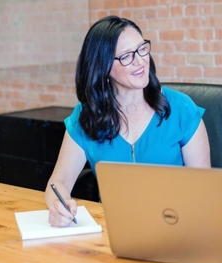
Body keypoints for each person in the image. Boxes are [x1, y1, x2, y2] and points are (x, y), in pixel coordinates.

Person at [45, 15, 210, 227]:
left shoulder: (181, 109)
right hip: (112, 230)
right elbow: (58, 182)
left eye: (142, 49)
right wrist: (57, 206)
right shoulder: (86, 117)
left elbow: (204, 189)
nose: (141, 61)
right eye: (126, 56)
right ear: (103, 67)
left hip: (175, 226)